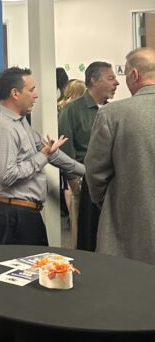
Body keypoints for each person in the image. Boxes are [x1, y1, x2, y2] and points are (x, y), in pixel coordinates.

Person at [0, 66, 85, 245]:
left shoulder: (18, 120)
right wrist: (42, 156)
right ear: (15, 93)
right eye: (31, 90)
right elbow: (7, 175)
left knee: (36, 267)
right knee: (26, 270)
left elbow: (49, 151)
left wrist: (87, 172)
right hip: (13, 213)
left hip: (21, 212)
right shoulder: (2, 126)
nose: (36, 95)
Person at [85, 48, 155, 265]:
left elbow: (95, 171)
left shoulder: (113, 114)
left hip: (128, 224)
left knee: (127, 288)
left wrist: (110, 203)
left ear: (134, 74)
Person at [58, 63, 119, 249]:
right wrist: (74, 180)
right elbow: (65, 147)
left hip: (112, 185)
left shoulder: (114, 111)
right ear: (93, 80)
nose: (116, 83)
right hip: (83, 184)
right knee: (84, 234)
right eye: (110, 79)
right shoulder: (72, 110)